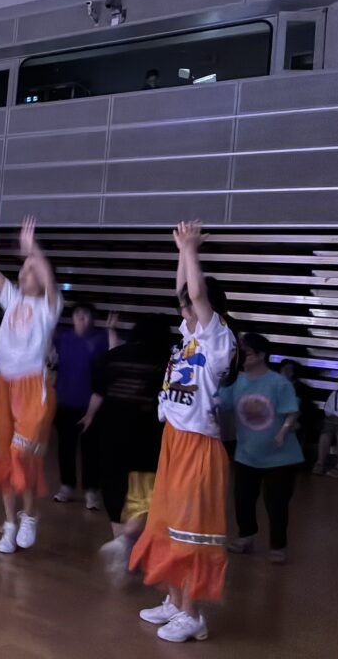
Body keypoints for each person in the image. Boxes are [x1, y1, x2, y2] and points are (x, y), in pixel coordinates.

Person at [130, 221, 237, 643]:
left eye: (191, 307)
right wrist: (181, 253)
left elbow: (195, 295)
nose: (184, 312)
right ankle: (175, 602)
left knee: (191, 533)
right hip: (174, 440)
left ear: (209, 309)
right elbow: (184, 294)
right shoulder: (191, 334)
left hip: (198, 448)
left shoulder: (218, 340)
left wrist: (192, 251)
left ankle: (194, 616)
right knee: (167, 526)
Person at [0, 206, 63, 554]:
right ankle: (10, 524)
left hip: (33, 388)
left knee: (22, 454)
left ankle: (29, 517)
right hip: (6, 386)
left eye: (31, 270)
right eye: (23, 268)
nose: (24, 273)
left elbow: (50, 280)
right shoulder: (12, 297)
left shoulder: (49, 306)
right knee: (6, 457)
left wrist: (35, 251)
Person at [87, 314, 171, 583]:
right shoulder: (166, 361)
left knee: (114, 488)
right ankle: (127, 544)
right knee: (144, 494)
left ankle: (122, 550)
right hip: (147, 437)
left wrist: (89, 417)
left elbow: (99, 391)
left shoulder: (112, 357)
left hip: (110, 432)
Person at [218, 333, 303, 564]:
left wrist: (283, 431)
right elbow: (220, 403)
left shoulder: (278, 383)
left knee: (276, 504)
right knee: (242, 499)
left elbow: (292, 411)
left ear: (261, 355)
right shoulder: (237, 381)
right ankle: (246, 536)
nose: (241, 356)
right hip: (247, 453)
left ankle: (278, 545)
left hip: (281, 457)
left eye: (246, 352)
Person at [52, 303, 109, 509]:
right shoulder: (63, 337)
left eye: (86, 315)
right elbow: (46, 343)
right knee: (65, 448)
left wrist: (112, 330)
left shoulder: (101, 338)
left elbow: (114, 354)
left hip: (92, 405)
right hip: (65, 402)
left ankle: (91, 491)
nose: (82, 319)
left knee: (91, 450)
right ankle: (66, 486)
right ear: (73, 318)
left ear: (93, 318)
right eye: (78, 315)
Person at [313, 381, 338, 476]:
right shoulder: (337, 393)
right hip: (334, 421)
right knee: (325, 433)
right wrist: (335, 417)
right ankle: (320, 463)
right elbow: (328, 409)